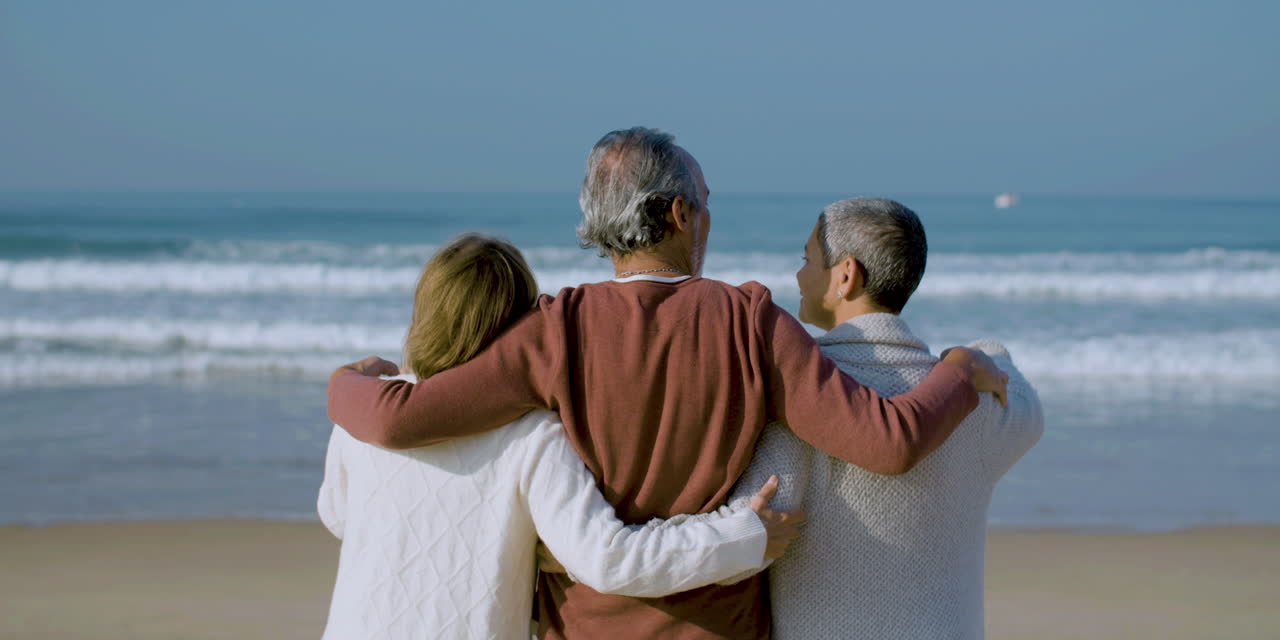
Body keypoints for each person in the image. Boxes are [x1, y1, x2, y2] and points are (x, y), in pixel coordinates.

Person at [329, 128, 1009, 639]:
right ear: (679, 214)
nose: (708, 219)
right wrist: (957, 371)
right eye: (705, 205)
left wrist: (341, 384)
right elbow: (889, 443)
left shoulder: (551, 331)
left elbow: (396, 419)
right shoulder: (750, 320)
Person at [318, 234, 805, 640]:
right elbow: (607, 559)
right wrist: (743, 536)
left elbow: (337, 515)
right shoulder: (531, 437)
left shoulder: (360, 420)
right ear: (517, 330)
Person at [729, 197, 1044, 639]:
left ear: (846, 275)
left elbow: (739, 544)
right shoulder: (974, 400)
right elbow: (1028, 406)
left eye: (807, 259)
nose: (799, 275)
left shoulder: (801, 404)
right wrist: (975, 355)